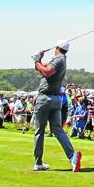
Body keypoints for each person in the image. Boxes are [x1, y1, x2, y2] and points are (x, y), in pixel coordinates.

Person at [32, 40, 81, 172]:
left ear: (58, 47)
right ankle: (72, 158)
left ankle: (38, 162)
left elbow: (46, 72)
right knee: (58, 129)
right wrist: (38, 60)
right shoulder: (61, 60)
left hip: (45, 98)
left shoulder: (58, 60)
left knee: (39, 131)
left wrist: (37, 60)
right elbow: (42, 69)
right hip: (56, 99)